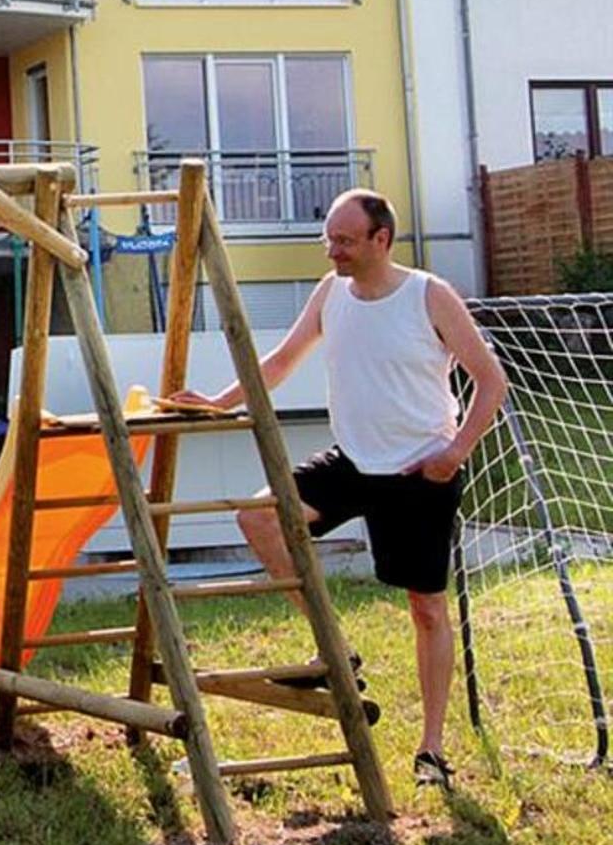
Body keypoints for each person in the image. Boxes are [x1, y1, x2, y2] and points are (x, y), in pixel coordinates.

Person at [168, 189, 507, 790]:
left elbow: (490, 381)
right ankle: (339, 653)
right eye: (329, 238)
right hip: (352, 463)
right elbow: (280, 361)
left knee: (426, 609)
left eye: (345, 241)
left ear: (382, 240)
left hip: (418, 471)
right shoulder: (330, 294)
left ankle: (430, 751)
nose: (333, 251)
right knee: (259, 517)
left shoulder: (428, 295)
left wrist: (454, 453)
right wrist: (217, 404)